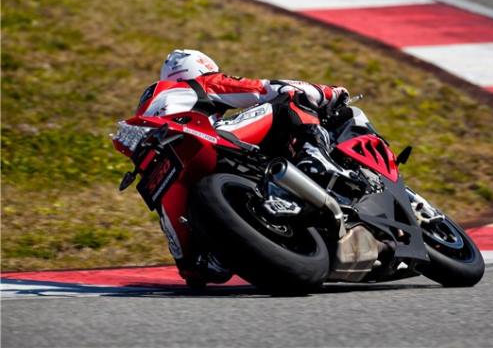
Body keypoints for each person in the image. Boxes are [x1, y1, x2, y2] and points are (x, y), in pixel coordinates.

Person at [137, 49, 352, 286]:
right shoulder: (200, 83)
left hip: (163, 177)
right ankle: (315, 157)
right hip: (204, 139)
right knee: (289, 101)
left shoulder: (148, 107)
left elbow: (194, 277)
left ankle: (217, 251)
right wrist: (328, 92)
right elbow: (266, 89)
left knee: (194, 269)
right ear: (198, 70)